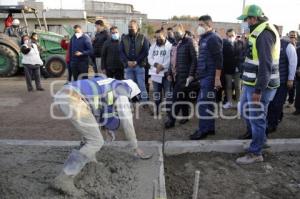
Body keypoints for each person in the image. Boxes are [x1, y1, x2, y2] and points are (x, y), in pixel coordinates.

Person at [51, 76, 151, 196]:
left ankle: (90, 161)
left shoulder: (111, 83)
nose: (131, 102)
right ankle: (64, 178)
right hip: (73, 99)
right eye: (132, 99)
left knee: (91, 135)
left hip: (67, 94)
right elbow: (127, 122)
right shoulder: (123, 93)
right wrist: (135, 146)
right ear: (132, 92)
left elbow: (96, 106)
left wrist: (105, 127)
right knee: (96, 141)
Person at [236, 5, 281, 164]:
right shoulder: (260, 31)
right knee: (247, 111)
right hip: (252, 83)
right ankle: (261, 140)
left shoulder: (264, 35)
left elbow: (265, 65)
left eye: (247, 19)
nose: (246, 23)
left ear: (253, 18)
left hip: (260, 86)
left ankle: (256, 153)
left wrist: (258, 90)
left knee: (256, 118)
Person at [189, 15, 223, 140]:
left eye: (202, 25)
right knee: (208, 103)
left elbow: (219, 60)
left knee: (202, 103)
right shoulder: (204, 38)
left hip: (210, 76)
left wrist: (217, 78)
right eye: (199, 25)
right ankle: (209, 128)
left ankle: (203, 130)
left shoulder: (213, 39)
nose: (199, 27)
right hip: (204, 76)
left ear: (209, 25)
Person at [164, 24, 197, 128]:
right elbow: (172, 60)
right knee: (183, 97)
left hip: (185, 76)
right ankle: (186, 116)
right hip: (175, 76)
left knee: (175, 99)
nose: (175, 34)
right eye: (174, 33)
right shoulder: (174, 44)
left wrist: (191, 75)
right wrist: (169, 73)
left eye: (177, 32)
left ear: (183, 31)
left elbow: (194, 60)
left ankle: (171, 120)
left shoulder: (189, 42)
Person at [266, 30, 297, 133]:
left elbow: (293, 63)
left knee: (276, 103)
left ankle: (272, 125)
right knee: (270, 103)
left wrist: (290, 79)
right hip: (269, 80)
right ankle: (275, 118)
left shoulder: (287, 46)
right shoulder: (267, 44)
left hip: (282, 81)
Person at [120, 19, 150, 103]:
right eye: (129, 27)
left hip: (139, 65)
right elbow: (121, 51)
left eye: (132, 27)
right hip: (128, 65)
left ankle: (144, 101)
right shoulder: (124, 38)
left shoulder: (143, 38)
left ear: (137, 27)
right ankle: (132, 100)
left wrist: (136, 61)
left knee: (141, 85)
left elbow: (145, 51)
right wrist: (127, 61)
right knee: (129, 85)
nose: (130, 28)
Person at [148, 29, 173, 115]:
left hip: (166, 73)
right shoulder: (153, 46)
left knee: (168, 93)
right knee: (156, 93)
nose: (158, 39)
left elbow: (171, 59)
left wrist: (162, 66)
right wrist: (156, 65)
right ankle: (157, 109)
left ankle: (168, 110)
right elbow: (149, 58)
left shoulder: (170, 46)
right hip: (155, 73)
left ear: (165, 36)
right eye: (157, 37)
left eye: (160, 37)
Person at [222, 29, 241, 109]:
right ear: (226, 36)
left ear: (235, 35)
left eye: (232, 35)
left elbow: (242, 56)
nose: (231, 37)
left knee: (237, 86)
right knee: (228, 86)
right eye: (229, 36)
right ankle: (229, 102)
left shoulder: (240, 44)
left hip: (237, 68)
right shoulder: (224, 45)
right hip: (228, 68)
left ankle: (239, 103)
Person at [286, 31, 298, 107]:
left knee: (292, 87)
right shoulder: (287, 46)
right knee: (289, 86)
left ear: (296, 37)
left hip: (297, 70)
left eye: (294, 36)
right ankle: (288, 99)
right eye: (291, 36)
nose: (292, 37)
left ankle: (291, 101)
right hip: (289, 69)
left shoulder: (298, 45)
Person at [294, 43, 300, 115]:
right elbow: (295, 62)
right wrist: (297, 70)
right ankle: (298, 108)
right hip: (299, 76)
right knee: (298, 93)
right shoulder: (298, 50)